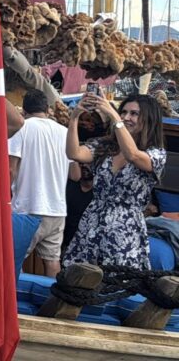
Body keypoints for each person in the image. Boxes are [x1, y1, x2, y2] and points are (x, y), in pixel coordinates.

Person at [63, 93, 167, 269]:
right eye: (123, 112)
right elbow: (74, 153)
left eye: (134, 113)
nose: (126, 117)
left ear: (148, 119)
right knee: (80, 276)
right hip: (93, 222)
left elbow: (132, 155)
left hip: (125, 229)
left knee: (118, 278)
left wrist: (115, 117)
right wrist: (74, 118)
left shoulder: (156, 154)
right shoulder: (106, 146)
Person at [7, 89, 70, 276]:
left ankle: (11, 294)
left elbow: (11, 169)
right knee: (52, 261)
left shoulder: (21, 128)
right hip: (57, 210)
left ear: (24, 110)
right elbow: (75, 174)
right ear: (47, 108)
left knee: (13, 259)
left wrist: (3, 199)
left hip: (28, 208)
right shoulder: (65, 132)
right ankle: (54, 295)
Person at [62, 161, 94, 257]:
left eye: (88, 163)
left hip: (89, 246)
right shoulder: (68, 186)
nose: (84, 165)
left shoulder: (99, 193)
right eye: (81, 163)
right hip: (65, 244)